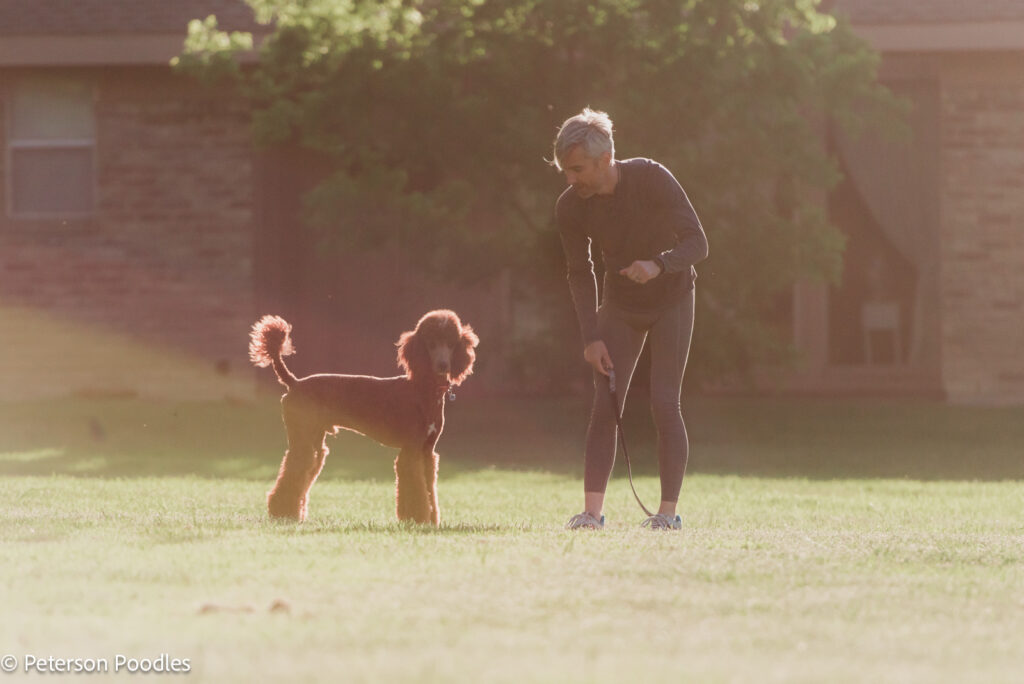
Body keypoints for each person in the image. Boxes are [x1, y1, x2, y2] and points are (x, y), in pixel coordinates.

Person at [552, 108, 708, 531]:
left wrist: (659, 264)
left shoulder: (651, 178)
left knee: (664, 402)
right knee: (605, 405)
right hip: (620, 308)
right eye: (565, 170)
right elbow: (579, 273)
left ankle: (666, 515)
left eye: (577, 169)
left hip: (672, 299)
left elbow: (698, 243)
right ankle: (591, 514)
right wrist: (590, 337)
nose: (571, 179)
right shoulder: (572, 206)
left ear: (605, 160)